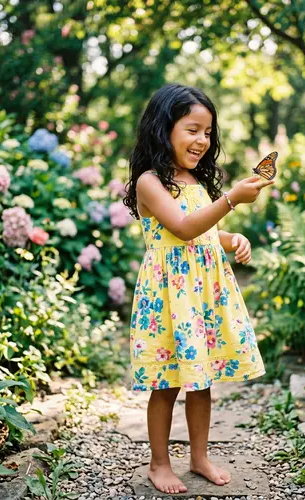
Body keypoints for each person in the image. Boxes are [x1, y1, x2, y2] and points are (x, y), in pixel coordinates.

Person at [122, 83, 275, 495]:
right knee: (167, 382)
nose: (202, 140)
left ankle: (200, 456)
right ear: (163, 128)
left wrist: (231, 238)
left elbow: (204, 231)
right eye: (192, 129)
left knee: (201, 377)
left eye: (208, 132)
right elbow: (184, 227)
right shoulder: (150, 182)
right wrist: (232, 200)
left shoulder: (196, 180)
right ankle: (158, 463)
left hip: (202, 294)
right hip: (170, 295)